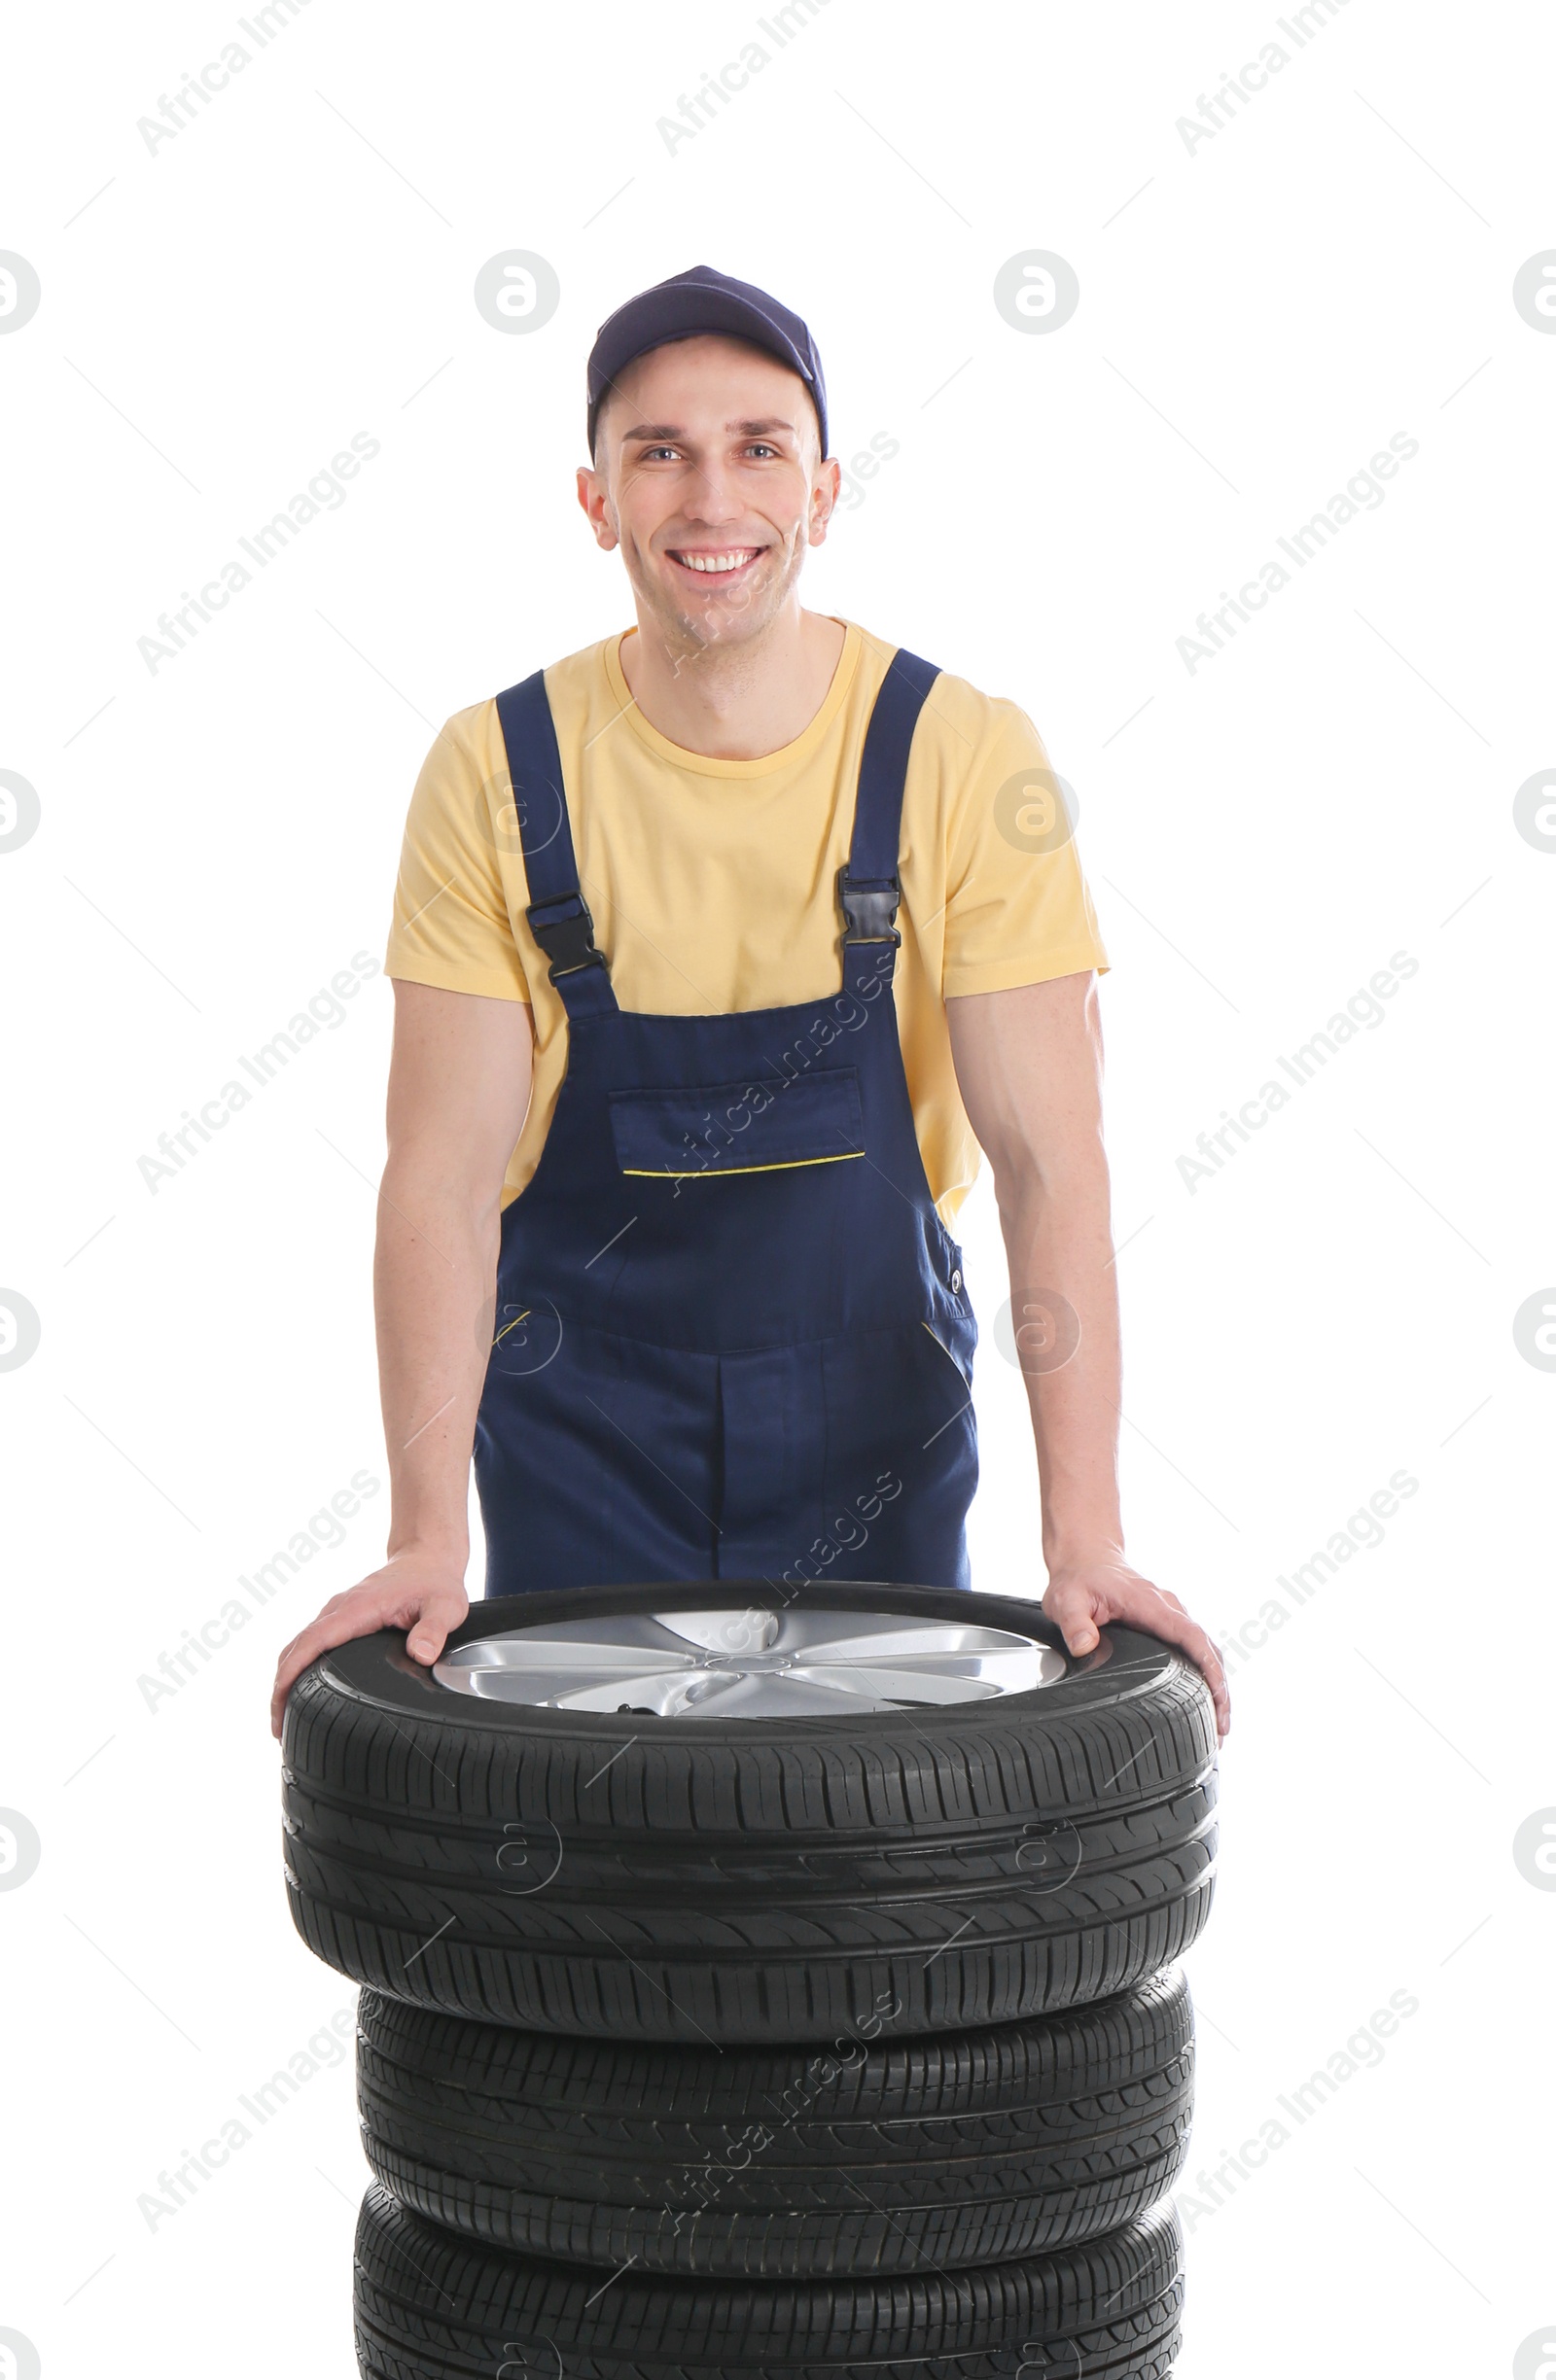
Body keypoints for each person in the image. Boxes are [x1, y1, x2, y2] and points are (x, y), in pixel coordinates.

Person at [271, 264, 1228, 1735]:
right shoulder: (497, 769)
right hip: (575, 1423)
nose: (711, 498)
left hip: (874, 1425)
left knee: (876, 1874)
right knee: (579, 1887)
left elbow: (1050, 1165)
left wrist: (1084, 1538)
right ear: (595, 499)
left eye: (758, 447)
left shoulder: (959, 754)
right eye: (659, 451)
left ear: (826, 489)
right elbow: (443, 1176)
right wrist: (422, 1534)